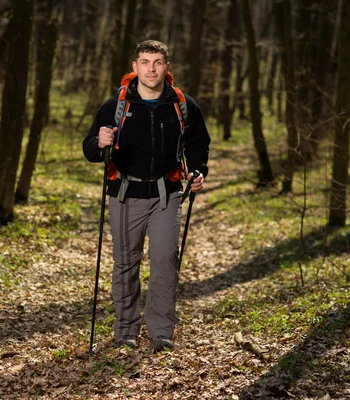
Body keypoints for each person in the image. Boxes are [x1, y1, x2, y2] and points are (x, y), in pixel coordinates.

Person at [82, 40, 211, 352]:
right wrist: (100, 142)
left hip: (167, 194)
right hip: (125, 193)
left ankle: (161, 331)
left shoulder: (182, 105)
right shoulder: (115, 106)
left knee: (166, 258)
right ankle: (126, 330)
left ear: (166, 67)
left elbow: (198, 144)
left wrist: (198, 170)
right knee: (126, 263)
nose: (151, 68)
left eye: (157, 62)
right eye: (145, 62)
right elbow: (90, 150)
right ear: (135, 66)